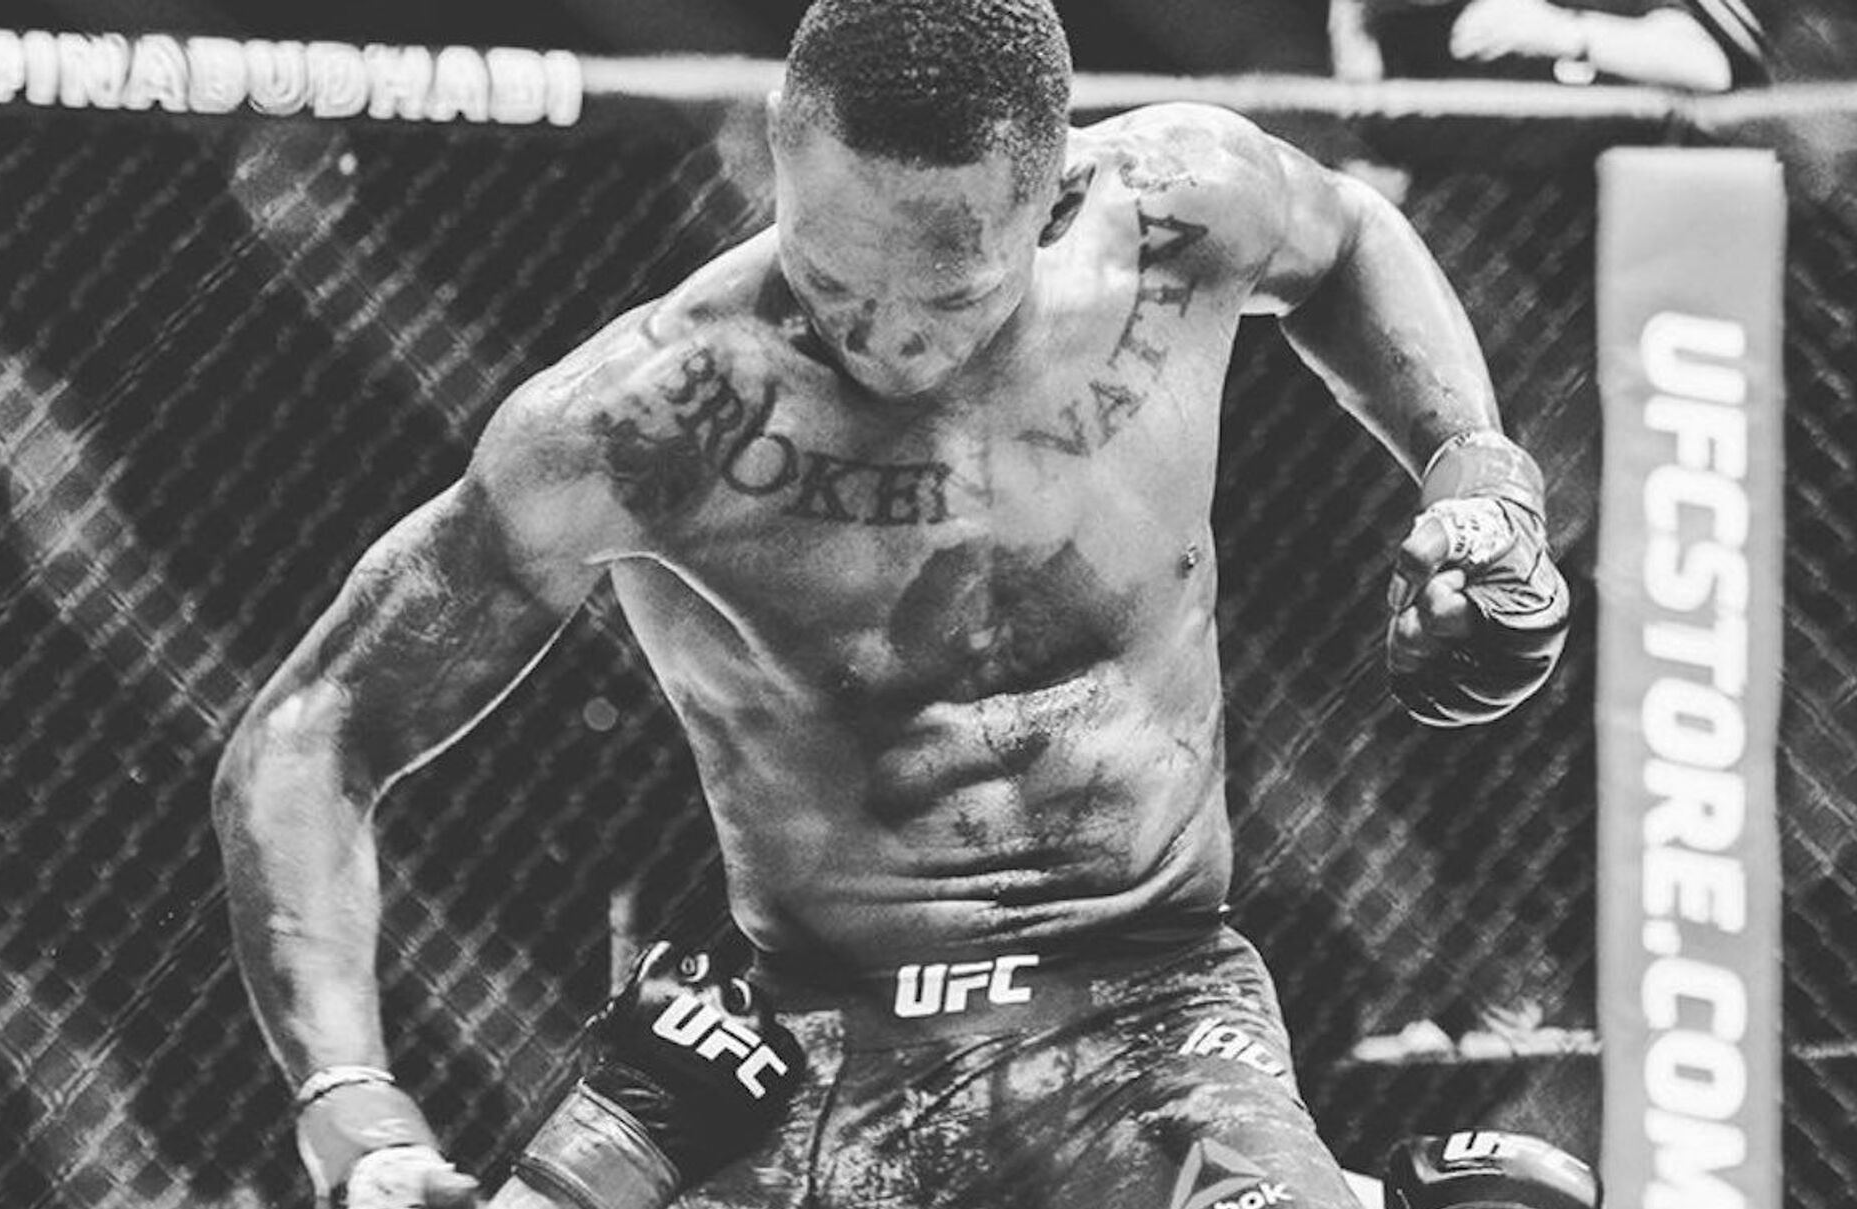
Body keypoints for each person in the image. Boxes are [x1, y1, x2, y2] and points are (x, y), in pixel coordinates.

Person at [211, 1, 1579, 1206]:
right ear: (780, 157)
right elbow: (314, 729)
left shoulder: (1175, 215)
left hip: (1159, 1012)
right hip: (810, 1052)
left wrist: (1479, 477)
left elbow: (1347, 237)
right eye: (831, 274)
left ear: (1054, 200)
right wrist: (354, 1110)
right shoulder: (647, 419)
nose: (882, 335)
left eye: (946, 293)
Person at [1346, 0, 1769, 91]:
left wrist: (1556, 31)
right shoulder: (1398, 24)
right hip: (1464, 237)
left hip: (1607, 225)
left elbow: (1707, 65)